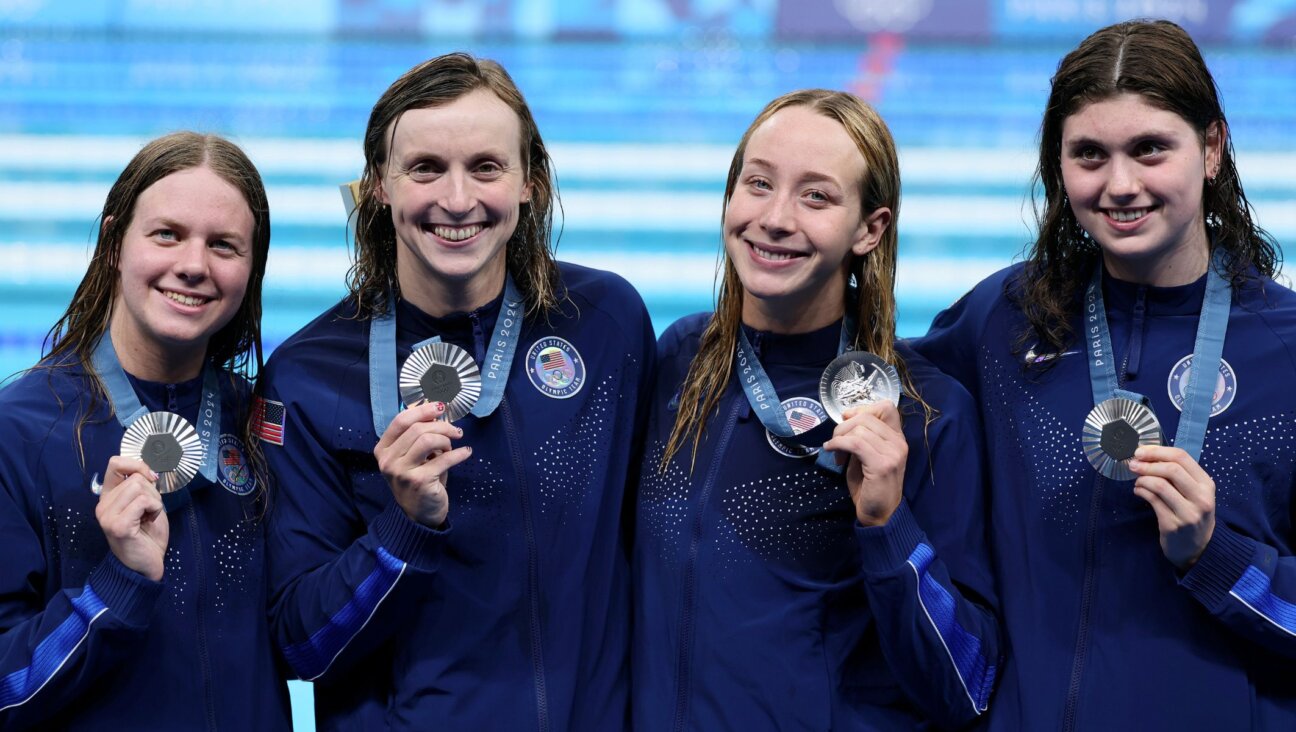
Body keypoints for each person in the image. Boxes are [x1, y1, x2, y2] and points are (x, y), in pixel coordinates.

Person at [914, 19, 1296, 730]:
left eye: (1150, 149)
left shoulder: (1288, 349)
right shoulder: (1003, 320)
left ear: (1210, 149)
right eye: (1089, 154)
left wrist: (1216, 556)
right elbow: (876, 386)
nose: (1120, 185)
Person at [260, 52, 655, 730]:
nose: (457, 199)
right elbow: (301, 645)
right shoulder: (309, 376)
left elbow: (658, 552)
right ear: (379, 185)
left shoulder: (605, 322)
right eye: (425, 168)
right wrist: (402, 528)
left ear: (530, 182)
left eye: (485, 167)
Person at [633, 89, 1000, 731]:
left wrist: (888, 525)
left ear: (870, 229)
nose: (775, 218)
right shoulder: (678, 363)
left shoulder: (926, 411)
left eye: (816, 196)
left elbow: (967, 684)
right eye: (758, 184)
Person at [0, 132, 290, 729]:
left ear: (251, 269)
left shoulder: (262, 422)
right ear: (114, 243)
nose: (192, 265)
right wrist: (119, 583)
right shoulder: (19, 432)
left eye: (224, 245)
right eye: (167, 234)